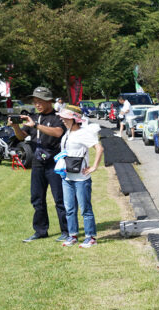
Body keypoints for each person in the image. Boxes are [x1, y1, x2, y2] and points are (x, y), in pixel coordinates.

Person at [11, 86, 67, 242]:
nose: (37, 104)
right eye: (35, 101)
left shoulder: (58, 117)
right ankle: (41, 231)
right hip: (37, 163)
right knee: (37, 198)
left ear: (49, 101)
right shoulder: (33, 117)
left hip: (55, 164)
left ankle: (67, 231)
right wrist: (15, 126)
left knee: (60, 199)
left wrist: (36, 126)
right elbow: (22, 136)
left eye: (40, 101)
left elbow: (58, 132)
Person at [57, 106, 103, 248]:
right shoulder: (67, 133)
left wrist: (94, 167)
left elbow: (99, 148)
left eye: (65, 118)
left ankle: (90, 237)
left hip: (81, 178)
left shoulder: (84, 134)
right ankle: (73, 235)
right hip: (67, 177)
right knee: (69, 208)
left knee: (85, 208)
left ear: (74, 119)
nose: (62, 120)